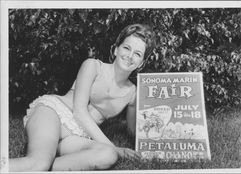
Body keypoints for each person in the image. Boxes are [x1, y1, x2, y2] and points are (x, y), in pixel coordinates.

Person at [9, 23, 156, 171]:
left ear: (141, 63)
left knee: (108, 155)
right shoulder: (93, 66)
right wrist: (116, 148)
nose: (130, 56)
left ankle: (45, 166)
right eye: (126, 48)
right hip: (54, 114)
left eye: (137, 54)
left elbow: (133, 132)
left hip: (75, 137)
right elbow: (79, 112)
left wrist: (158, 127)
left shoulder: (133, 93)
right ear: (116, 49)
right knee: (39, 163)